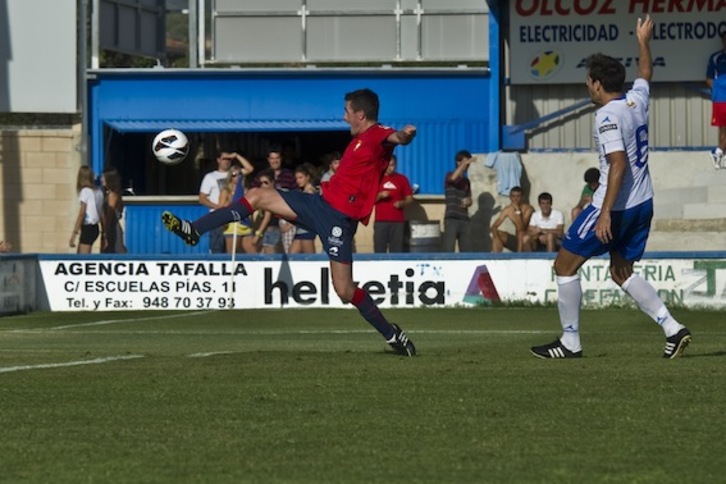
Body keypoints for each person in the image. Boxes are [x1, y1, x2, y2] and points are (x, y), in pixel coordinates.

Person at [162, 88, 418, 356]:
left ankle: (392, 335)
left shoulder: (377, 134)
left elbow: (396, 137)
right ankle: (194, 230)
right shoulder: (358, 141)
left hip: (338, 221)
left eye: (347, 112)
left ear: (360, 114)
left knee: (344, 290)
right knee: (257, 195)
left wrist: (406, 134)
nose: (344, 118)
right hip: (318, 205)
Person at [530, 15, 691, 360]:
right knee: (621, 272)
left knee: (564, 266)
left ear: (599, 83)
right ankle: (672, 328)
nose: (587, 87)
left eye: (588, 82)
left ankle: (570, 342)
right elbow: (646, 73)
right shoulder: (636, 100)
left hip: (614, 206)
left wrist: (603, 214)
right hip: (643, 202)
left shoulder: (606, 116)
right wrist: (643, 41)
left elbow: (617, 163)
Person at [373, 155, 413, 253]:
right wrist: (380, 195)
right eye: (388, 165)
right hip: (381, 221)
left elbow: (410, 198)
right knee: (379, 249)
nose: (391, 168)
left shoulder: (402, 179)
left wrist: (402, 203)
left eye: (393, 165)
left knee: (397, 250)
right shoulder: (377, 179)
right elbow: (369, 200)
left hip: (398, 222)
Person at [219, 156, 257, 254]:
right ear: (230, 177)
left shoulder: (246, 190)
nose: (237, 177)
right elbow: (220, 207)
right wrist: (231, 202)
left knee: (252, 253)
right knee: (232, 253)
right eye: (234, 175)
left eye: (239, 174)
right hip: (232, 225)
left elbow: (250, 169)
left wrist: (236, 155)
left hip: (245, 223)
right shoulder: (226, 190)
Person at [199, 151, 233, 253]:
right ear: (218, 160)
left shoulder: (235, 174)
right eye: (224, 159)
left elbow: (250, 169)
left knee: (232, 250)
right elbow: (202, 199)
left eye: (229, 159)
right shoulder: (210, 177)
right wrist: (217, 207)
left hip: (233, 216)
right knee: (217, 247)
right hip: (217, 217)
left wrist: (235, 155)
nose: (226, 162)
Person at [441, 150, 474, 252]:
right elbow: (452, 179)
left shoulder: (466, 181)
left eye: (467, 163)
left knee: (467, 251)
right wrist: (463, 164)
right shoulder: (449, 175)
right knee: (448, 249)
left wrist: (469, 201)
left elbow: (469, 197)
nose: (466, 165)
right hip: (451, 218)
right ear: (458, 162)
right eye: (464, 162)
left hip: (464, 219)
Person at [69, 166, 104, 254]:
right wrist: (104, 231)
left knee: (83, 258)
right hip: (95, 227)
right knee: (80, 255)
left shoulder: (85, 192)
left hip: (88, 227)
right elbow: (102, 214)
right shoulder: (99, 192)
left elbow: (82, 213)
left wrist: (74, 233)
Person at [490, 186, 534, 253]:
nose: (515, 199)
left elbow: (522, 228)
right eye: (513, 196)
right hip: (517, 241)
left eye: (518, 196)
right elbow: (494, 226)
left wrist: (518, 211)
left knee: (521, 234)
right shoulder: (508, 210)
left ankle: (518, 258)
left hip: (529, 242)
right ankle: (495, 259)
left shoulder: (528, 209)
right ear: (510, 197)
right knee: (498, 234)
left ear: (522, 198)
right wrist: (496, 238)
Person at [706, 30, 726, 169]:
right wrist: (720, 89)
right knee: (723, 128)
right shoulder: (716, 57)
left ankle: (719, 152)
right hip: (720, 99)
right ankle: (719, 152)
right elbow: (708, 78)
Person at [289, 163, 318, 254]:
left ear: (307, 177)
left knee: (310, 259)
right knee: (291, 257)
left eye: (300, 178)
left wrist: (291, 223)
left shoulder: (310, 192)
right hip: (300, 230)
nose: (298, 181)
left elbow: (307, 212)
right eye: (297, 178)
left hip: (307, 229)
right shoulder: (303, 192)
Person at [100, 167, 127, 254]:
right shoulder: (108, 194)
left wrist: (105, 232)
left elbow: (110, 214)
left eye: (103, 177)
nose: (101, 179)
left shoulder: (112, 195)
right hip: (110, 228)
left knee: (114, 252)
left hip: (112, 229)